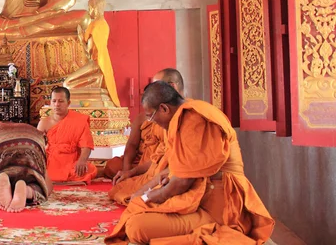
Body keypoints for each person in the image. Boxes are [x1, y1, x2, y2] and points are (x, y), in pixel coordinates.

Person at [105, 82, 275, 244]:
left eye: (151, 117)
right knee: (136, 207)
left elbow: (183, 182)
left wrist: (151, 197)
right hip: (197, 195)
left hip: (218, 205)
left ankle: (214, 229)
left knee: (137, 227)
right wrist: (145, 194)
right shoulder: (185, 116)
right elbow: (177, 169)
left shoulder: (194, 119)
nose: (152, 123)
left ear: (164, 108)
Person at [105, 68, 184, 182]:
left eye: (156, 87)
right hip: (147, 163)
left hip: (168, 167)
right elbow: (132, 144)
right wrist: (128, 170)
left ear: (172, 87)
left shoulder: (184, 117)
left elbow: (172, 159)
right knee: (113, 166)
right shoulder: (145, 117)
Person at [0, 122, 53, 213]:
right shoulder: (35, 132)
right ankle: (27, 191)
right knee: (43, 186)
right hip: (31, 141)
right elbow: (46, 179)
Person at [63, 0, 121, 108]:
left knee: (67, 84)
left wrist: (80, 37)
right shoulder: (98, 24)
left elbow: (90, 51)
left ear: (95, 7)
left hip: (95, 64)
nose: (89, 11)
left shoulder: (98, 25)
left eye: (90, 7)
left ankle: (97, 79)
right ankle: (96, 80)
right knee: (67, 85)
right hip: (93, 63)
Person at [37, 87, 97, 183]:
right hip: (51, 161)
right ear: (50, 103)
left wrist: (82, 160)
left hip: (71, 160)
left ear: (68, 103)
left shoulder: (79, 120)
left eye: (61, 101)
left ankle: (52, 178)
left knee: (89, 169)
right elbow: (37, 145)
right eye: (54, 101)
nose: (57, 104)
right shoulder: (44, 122)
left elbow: (86, 145)